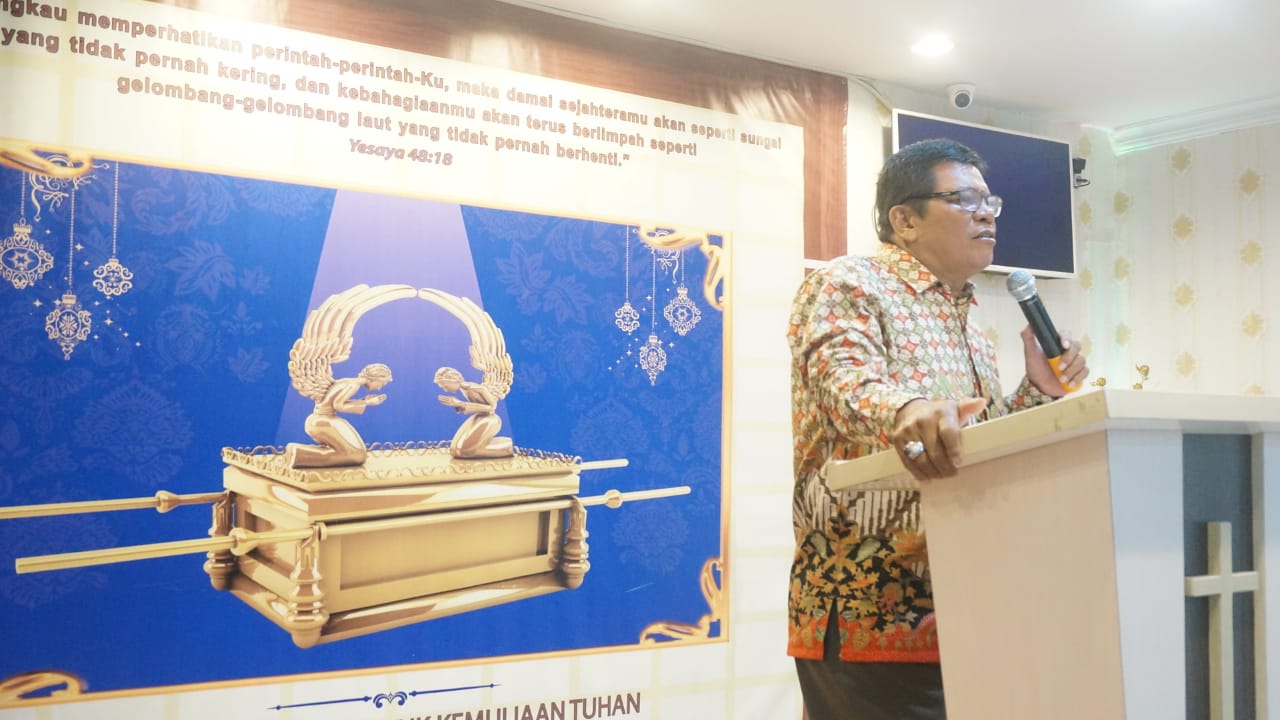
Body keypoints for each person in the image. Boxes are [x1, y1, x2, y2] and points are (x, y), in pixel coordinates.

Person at [786, 138, 1088, 719]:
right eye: (964, 199)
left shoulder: (969, 320)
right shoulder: (849, 283)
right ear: (904, 220)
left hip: (964, 601)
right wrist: (906, 410)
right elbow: (842, 382)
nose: (986, 214)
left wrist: (1037, 392)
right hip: (869, 608)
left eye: (990, 202)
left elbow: (975, 444)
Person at [287, 363, 392, 468]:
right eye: (382, 384)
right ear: (375, 378)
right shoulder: (353, 385)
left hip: (318, 420)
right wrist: (367, 403)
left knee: (354, 453)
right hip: (324, 421)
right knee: (357, 455)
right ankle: (298, 454)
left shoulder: (347, 381)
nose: (379, 388)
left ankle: (300, 453)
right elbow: (338, 405)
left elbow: (336, 401)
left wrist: (363, 401)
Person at [434, 366, 514, 458]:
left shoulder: (475, 388)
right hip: (480, 417)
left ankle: (508, 447)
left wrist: (461, 404)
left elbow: (492, 407)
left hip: (490, 419)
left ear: (454, 380)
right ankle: (499, 446)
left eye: (446, 386)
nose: (445, 390)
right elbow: (475, 406)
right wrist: (458, 405)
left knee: (463, 451)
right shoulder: (464, 389)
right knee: (455, 449)